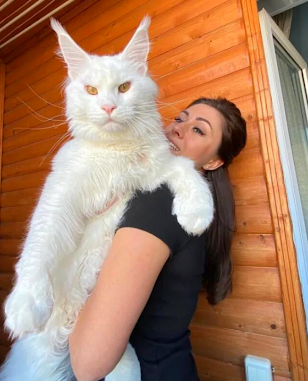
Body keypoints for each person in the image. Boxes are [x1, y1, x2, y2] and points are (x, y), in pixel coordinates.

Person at [68, 97, 247, 381]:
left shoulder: (162, 200)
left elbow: (88, 363)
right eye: (179, 118)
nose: (177, 129)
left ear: (214, 161)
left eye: (198, 130)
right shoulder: (175, 204)